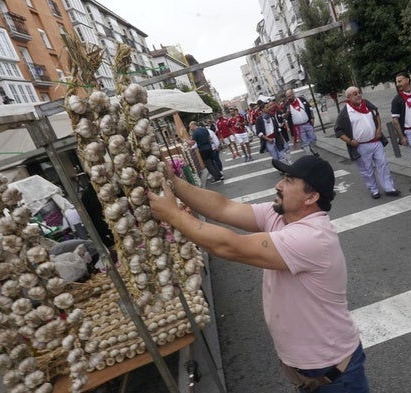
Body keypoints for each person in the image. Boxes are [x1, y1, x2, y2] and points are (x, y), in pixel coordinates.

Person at [147, 155, 369, 393]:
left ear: (311, 197)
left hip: (334, 375)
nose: (278, 185)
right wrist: (173, 181)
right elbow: (223, 207)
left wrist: (174, 216)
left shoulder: (313, 237)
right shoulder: (280, 215)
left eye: (288, 180)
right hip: (310, 371)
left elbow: (229, 247)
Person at [335, 86, 401, 199]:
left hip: (375, 142)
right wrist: (350, 141)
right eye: (355, 94)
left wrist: (379, 129)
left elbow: (377, 114)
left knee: (383, 164)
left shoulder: (367, 104)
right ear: (349, 97)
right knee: (367, 170)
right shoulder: (345, 112)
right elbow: (338, 130)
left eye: (359, 92)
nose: (358, 95)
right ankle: (374, 189)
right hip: (361, 146)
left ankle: (389, 188)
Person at [284, 88, 319, 156]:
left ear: (293, 94)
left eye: (290, 95)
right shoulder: (286, 105)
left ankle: (311, 148)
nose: (289, 97)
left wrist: (312, 118)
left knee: (313, 138)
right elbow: (284, 117)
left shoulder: (301, 99)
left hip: (307, 124)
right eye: (287, 96)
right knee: (304, 142)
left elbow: (310, 108)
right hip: (298, 127)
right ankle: (310, 156)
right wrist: (287, 112)